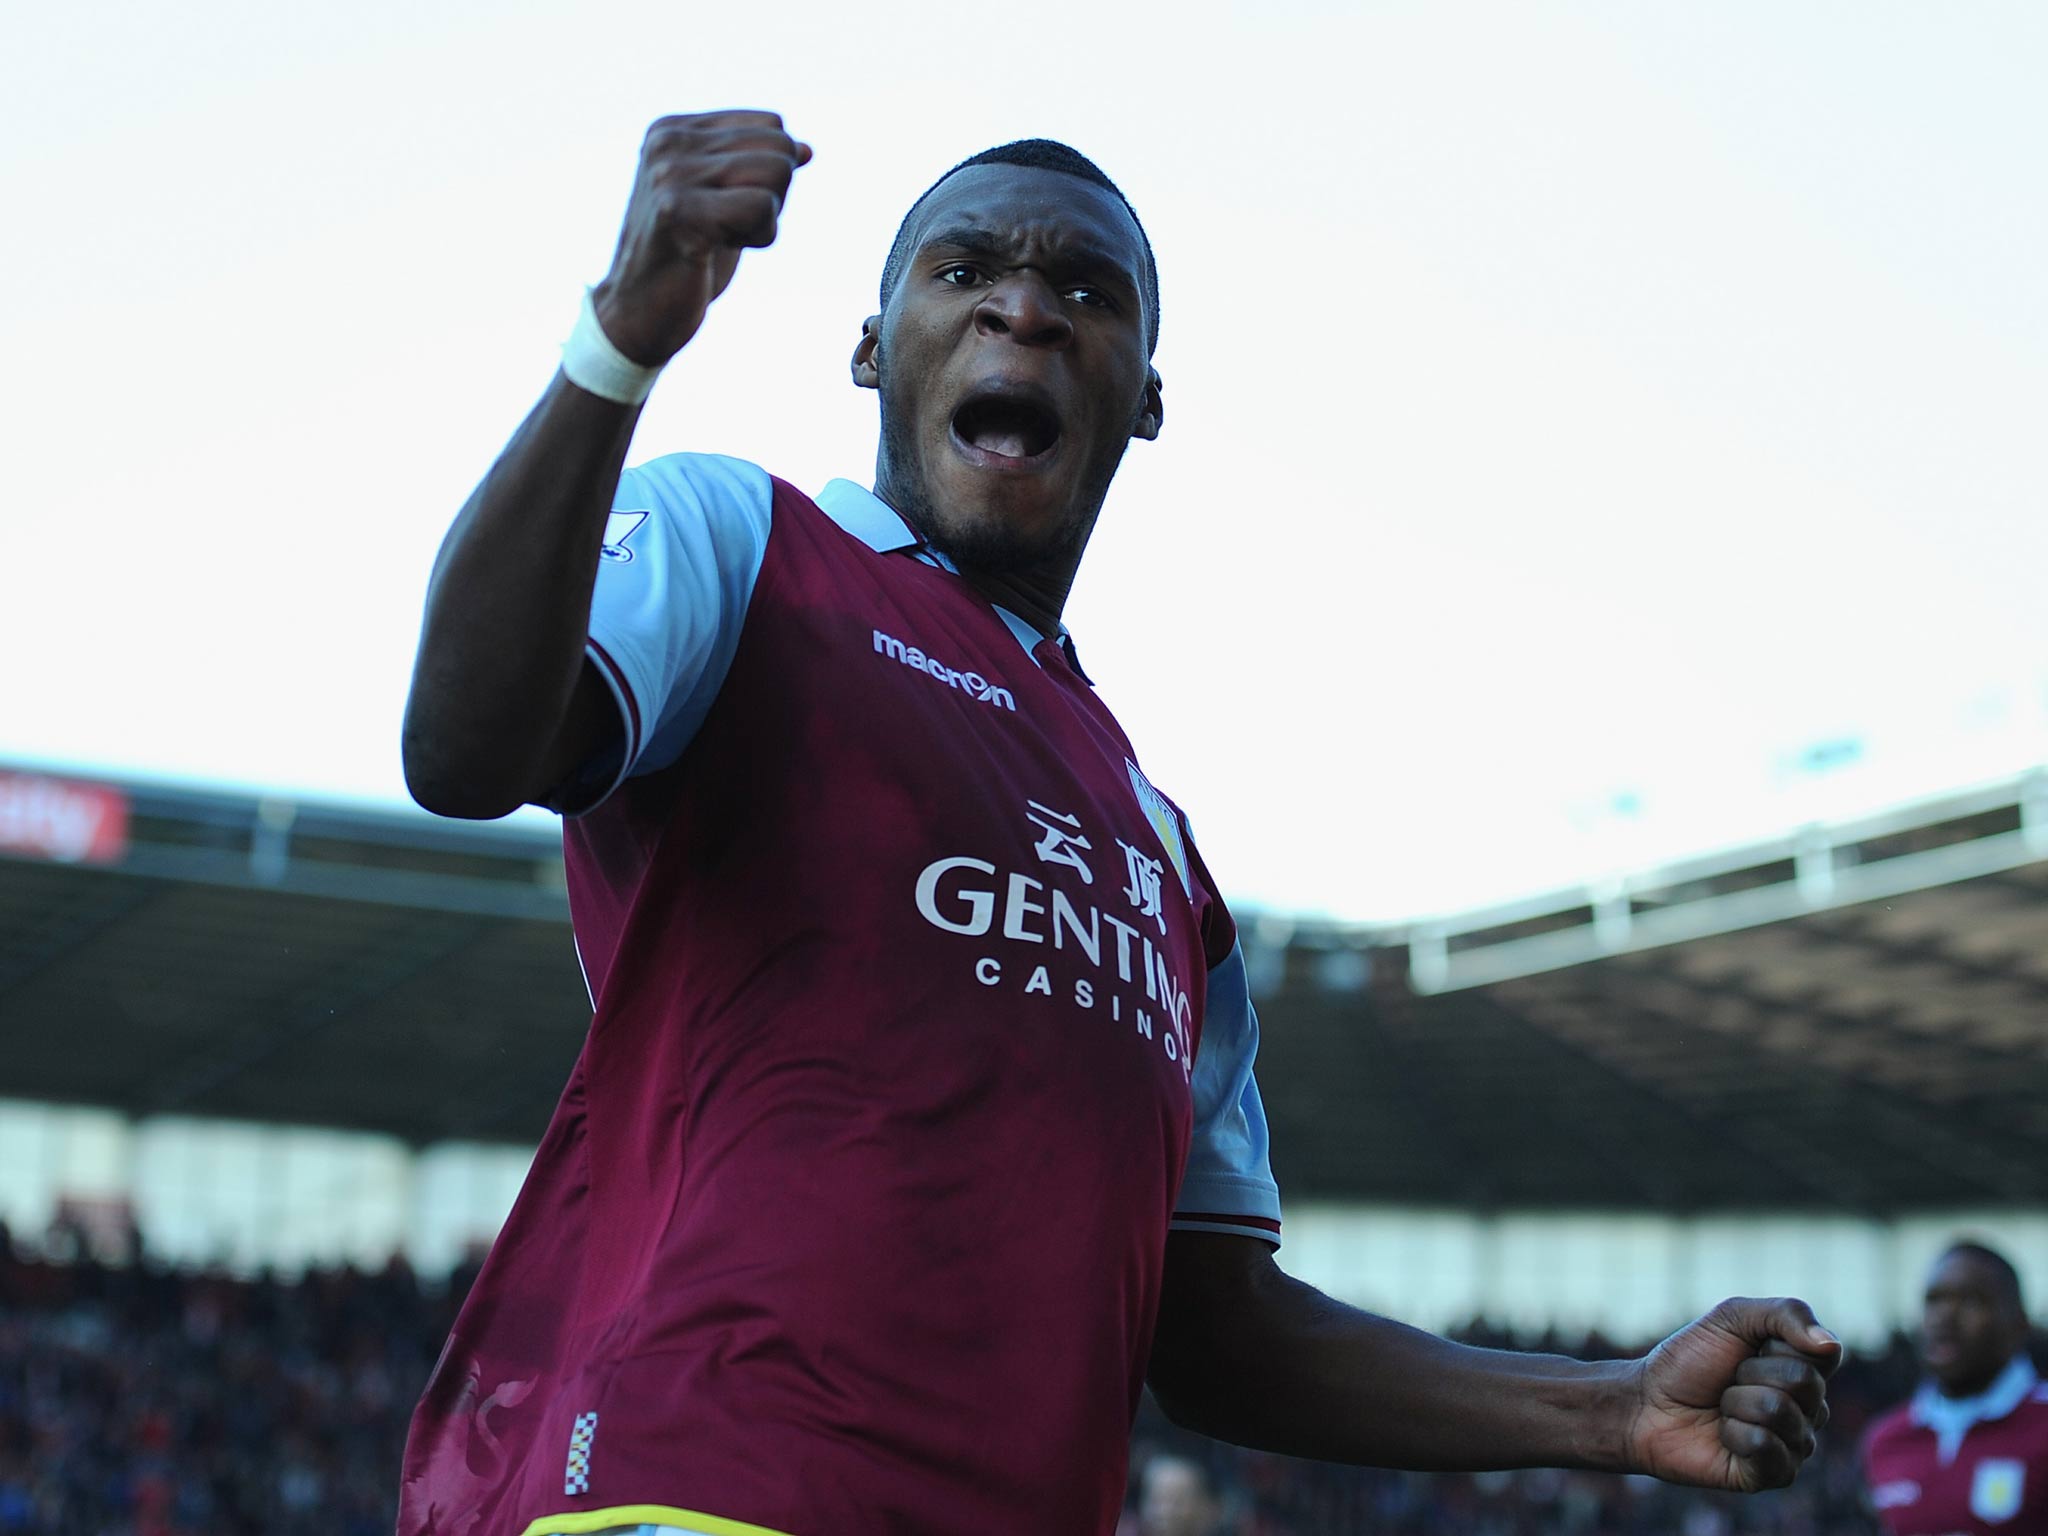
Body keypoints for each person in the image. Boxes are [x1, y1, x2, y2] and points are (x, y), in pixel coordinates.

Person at [397, 111, 1840, 1536]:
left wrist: (1614, 1410)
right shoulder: (751, 551)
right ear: (867, 350)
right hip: (705, 1492)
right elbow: (468, 745)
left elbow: (1212, 1329)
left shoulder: (1158, 858)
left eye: (1088, 292)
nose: (1022, 307)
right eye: (963, 273)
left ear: (1143, 394)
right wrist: (619, 345)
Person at [1864, 1242, 2047, 1533]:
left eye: (1972, 1301)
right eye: (1934, 1300)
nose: (1945, 1316)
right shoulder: (1886, 1439)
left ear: (2019, 1324)